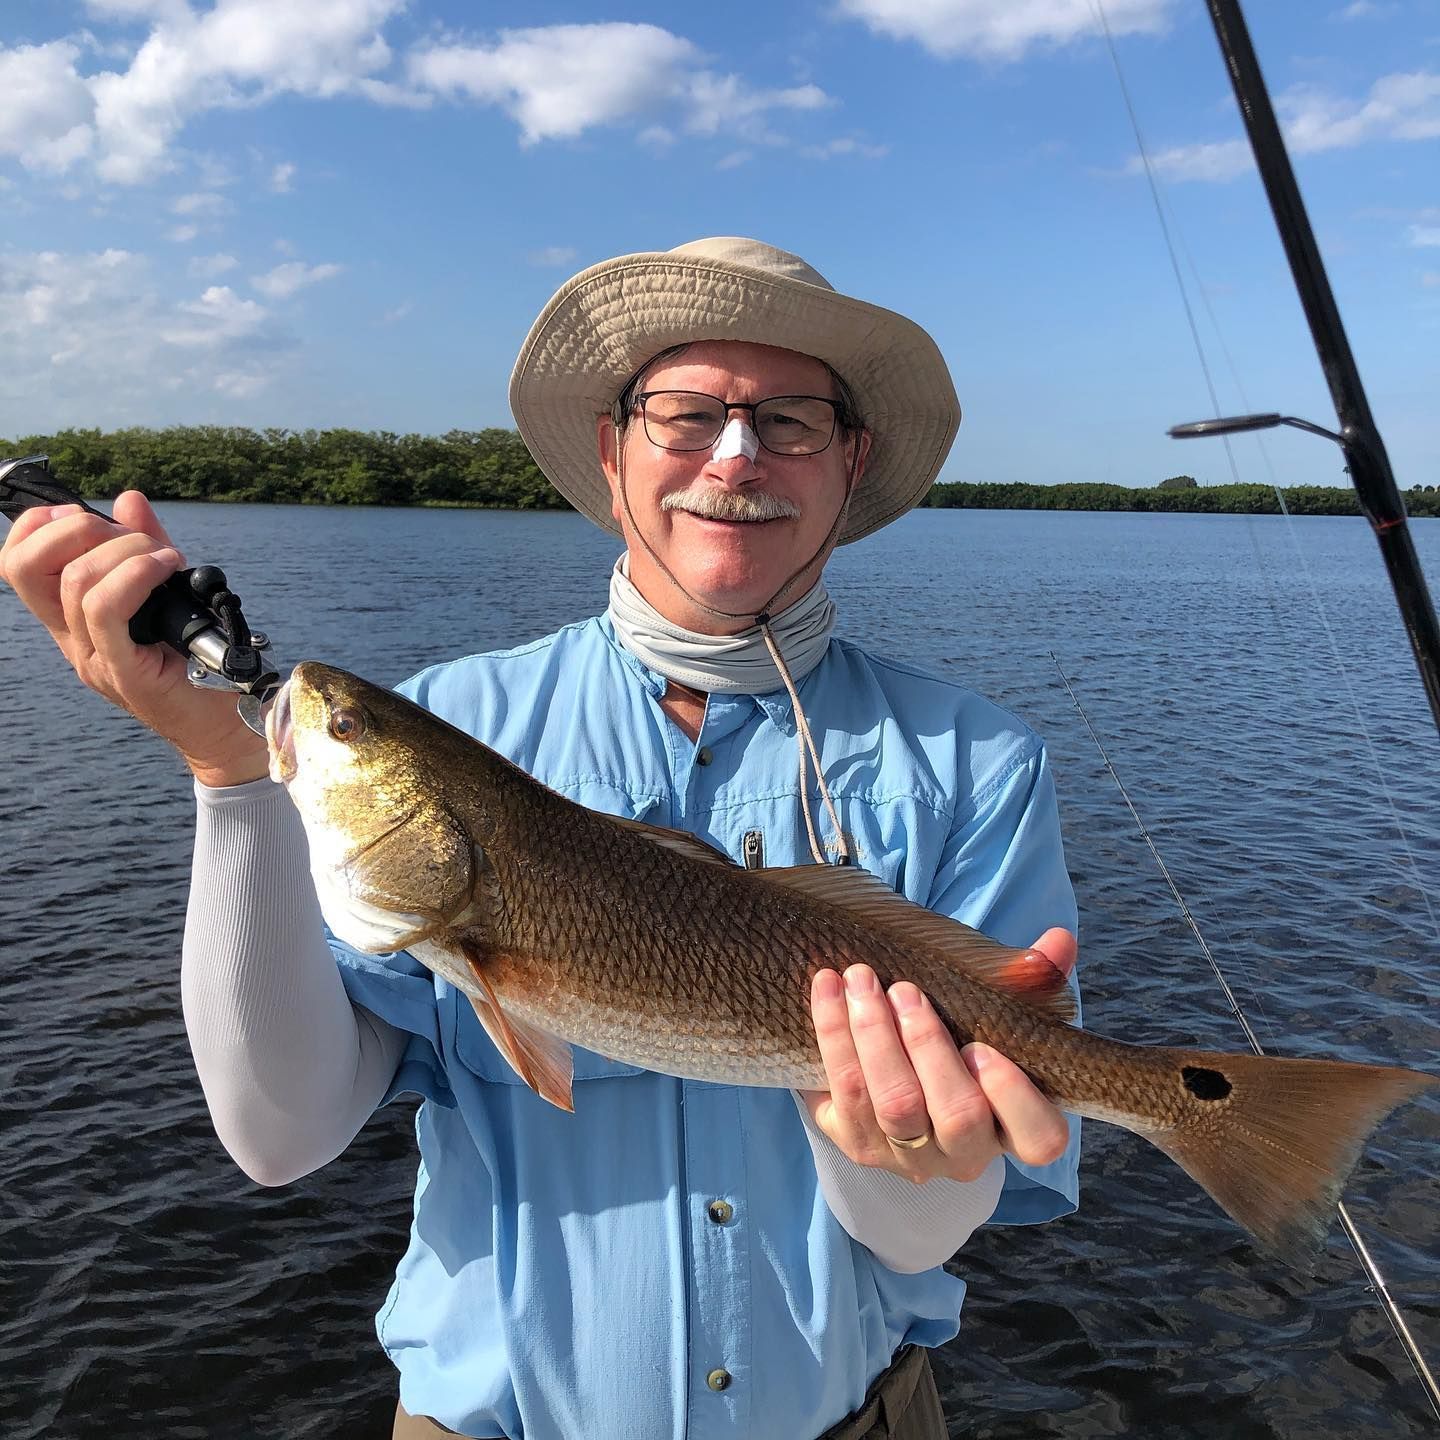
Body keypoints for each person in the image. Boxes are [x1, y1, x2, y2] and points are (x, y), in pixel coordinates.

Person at [0, 236, 1081, 1440]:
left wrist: (909, 1151)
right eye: (684, 415)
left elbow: (938, 1216)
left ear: (850, 461)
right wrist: (231, 772)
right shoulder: (457, 723)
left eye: (790, 421)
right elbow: (281, 1138)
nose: (736, 456)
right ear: (615, 455)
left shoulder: (980, 762)